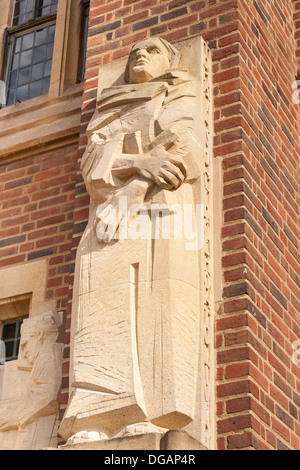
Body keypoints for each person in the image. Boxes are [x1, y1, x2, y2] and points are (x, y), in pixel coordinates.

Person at [59, 38, 204, 444]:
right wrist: (139, 165)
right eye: (134, 50)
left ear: (170, 62)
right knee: (99, 306)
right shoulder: (109, 105)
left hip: (161, 208)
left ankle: (152, 411)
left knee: (154, 304)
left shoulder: (179, 90)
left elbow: (180, 149)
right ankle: (95, 413)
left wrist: (133, 190)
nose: (141, 54)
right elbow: (94, 163)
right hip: (108, 212)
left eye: (154, 49)